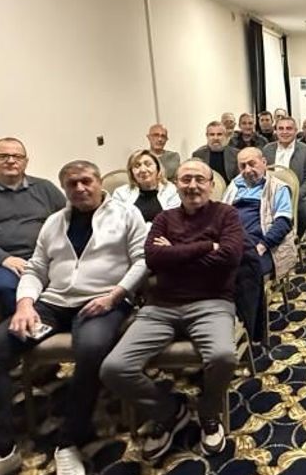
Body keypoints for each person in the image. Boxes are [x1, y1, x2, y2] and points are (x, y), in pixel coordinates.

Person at [0, 160, 148, 475]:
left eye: (86, 181)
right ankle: (0, 450)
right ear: (64, 188)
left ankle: (70, 441)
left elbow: (142, 260)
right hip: (53, 303)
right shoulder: (54, 222)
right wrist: (25, 304)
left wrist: (117, 294)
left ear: (99, 182)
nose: (80, 188)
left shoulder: (126, 214)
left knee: (91, 349)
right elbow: (37, 268)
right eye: (72, 184)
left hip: (103, 301)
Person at [101, 159, 245, 459]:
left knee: (223, 357)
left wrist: (175, 253)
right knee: (113, 368)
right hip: (161, 306)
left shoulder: (226, 214)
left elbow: (229, 258)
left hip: (212, 303)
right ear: (175, 184)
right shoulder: (164, 218)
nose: (192, 186)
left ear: (211, 185)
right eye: (185, 179)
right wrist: (205, 246)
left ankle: (209, 411)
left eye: (199, 179)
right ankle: (168, 410)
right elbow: (153, 258)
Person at [0, 137, 66, 316]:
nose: (11, 160)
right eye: (3, 156)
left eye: (17, 156)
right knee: (6, 287)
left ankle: (51, 322)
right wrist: (4, 259)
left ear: (26, 161)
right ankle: (28, 325)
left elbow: (68, 217)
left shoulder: (45, 188)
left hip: (44, 256)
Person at [222, 148, 296, 278]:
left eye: (252, 164)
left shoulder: (278, 188)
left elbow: (283, 223)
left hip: (261, 244)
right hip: (232, 240)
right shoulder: (234, 186)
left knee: (242, 273)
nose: (247, 170)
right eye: (243, 166)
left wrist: (262, 246)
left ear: (264, 162)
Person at [262, 116, 306, 236]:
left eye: (289, 128)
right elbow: (263, 174)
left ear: (296, 131)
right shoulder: (267, 149)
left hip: (299, 194)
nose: (285, 132)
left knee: (305, 209)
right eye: (281, 128)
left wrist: (295, 195)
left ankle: (295, 238)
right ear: (276, 131)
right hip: (271, 193)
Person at [111, 149, 180, 223]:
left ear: (158, 168)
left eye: (148, 164)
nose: (143, 170)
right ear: (131, 172)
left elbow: (173, 221)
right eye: (137, 166)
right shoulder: (120, 194)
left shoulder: (170, 190)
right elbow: (118, 223)